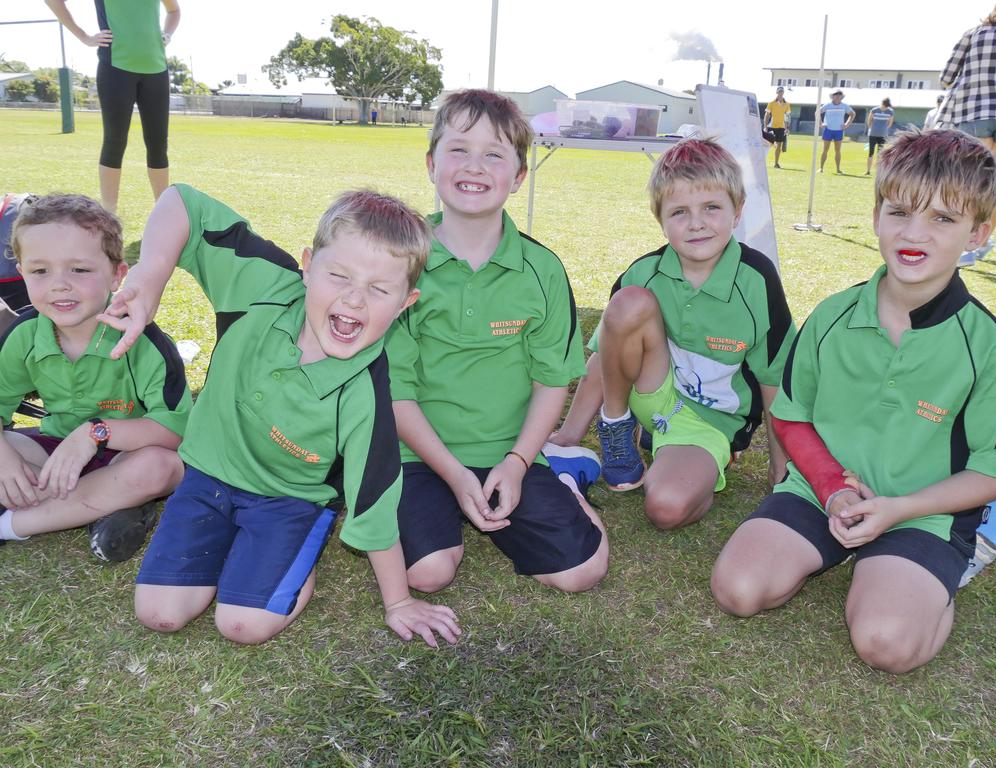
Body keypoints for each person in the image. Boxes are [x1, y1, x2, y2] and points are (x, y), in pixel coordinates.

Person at [711, 130, 996, 674]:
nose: (914, 234)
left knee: (887, 644)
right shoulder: (832, 316)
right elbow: (790, 416)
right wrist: (832, 491)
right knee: (737, 589)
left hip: (923, 515)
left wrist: (897, 510)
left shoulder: (988, 348)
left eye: (943, 220)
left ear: (979, 231)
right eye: (899, 211)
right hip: (822, 493)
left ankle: (919, 577)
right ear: (877, 213)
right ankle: (845, 554)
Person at [105, 185, 461, 647]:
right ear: (309, 265)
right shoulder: (264, 286)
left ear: (404, 303)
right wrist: (150, 283)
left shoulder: (369, 386)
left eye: (379, 289)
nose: (354, 300)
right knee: (159, 614)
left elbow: (373, 499)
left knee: (242, 626)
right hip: (207, 478)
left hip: (287, 500)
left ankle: (292, 553)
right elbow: (182, 202)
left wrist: (398, 602)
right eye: (340, 276)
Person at [386, 89, 608, 595]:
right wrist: (454, 474)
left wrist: (516, 462)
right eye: (459, 149)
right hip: (417, 453)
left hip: (510, 451)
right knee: (428, 573)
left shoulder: (542, 270)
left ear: (520, 177)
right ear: (431, 163)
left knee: (582, 573)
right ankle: (452, 503)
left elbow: (551, 380)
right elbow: (394, 391)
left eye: (494, 154)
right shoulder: (400, 260)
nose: (475, 166)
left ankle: (562, 477)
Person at [549, 137, 796, 530]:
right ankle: (617, 430)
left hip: (710, 422)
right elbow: (604, 358)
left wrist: (779, 469)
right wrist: (568, 434)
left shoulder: (757, 280)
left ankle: (683, 458)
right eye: (679, 212)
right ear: (660, 219)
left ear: (737, 211)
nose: (696, 223)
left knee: (665, 509)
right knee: (630, 302)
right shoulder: (643, 272)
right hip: (654, 393)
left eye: (711, 208)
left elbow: (772, 380)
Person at [0, 194, 190, 561]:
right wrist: (5, 459)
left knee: (161, 468)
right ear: (22, 272)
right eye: (41, 271)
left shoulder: (144, 341)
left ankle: (13, 525)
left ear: (118, 274)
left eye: (79, 270)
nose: (59, 285)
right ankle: (104, 507)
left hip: (126, 457)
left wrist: (95, 433)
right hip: (53, 453)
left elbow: (177, 430)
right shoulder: (24, 335)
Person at [45, 1, 181, 213]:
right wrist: (84, 36)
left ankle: (163, 214)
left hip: (157, 69)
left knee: (158, 145)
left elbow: (174, 11)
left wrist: (168, 34)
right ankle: (109, 217)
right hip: (116, 68)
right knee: (115, 142)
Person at [936, 0, 996, 257]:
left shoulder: (974, 32)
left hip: (972, 113)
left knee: (966, 183)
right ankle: (978, 246)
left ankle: (956, 244)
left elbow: (946, 78)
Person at [819, 89, 856, 173]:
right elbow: (817, 112)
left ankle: (838, 169)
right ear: (833, 96)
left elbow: (853, 114)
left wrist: (847, 124)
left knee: (838, 150)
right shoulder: (827, 105)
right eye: (836, 94)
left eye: (840, 94)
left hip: (839, 131)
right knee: (825, 149)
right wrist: (821, 123)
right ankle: (821, 168)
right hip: (828, 130)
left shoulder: (844, 106)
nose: (838, 96)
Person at [864, 97, 895, 175]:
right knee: (871, 152)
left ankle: (878, 171)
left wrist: (884, 129)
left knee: (880, 153)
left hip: (883, 135)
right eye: (886, 105)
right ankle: (868, 171)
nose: (886, 106)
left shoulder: (890, 111)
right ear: (882, 103)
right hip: (873, 134)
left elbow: (890, 123)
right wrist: (872, 128)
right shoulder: (874, 110)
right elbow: (869, 120)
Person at [764, 86, 791, 169]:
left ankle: (776, 163)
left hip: (781, 127)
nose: (780, 93)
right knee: (767, 144)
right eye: (779, 92)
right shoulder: (771, 103)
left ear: (783, 93)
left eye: (782, 92)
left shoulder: (787, 104)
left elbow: (787, 116)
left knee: (779, 146)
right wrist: (765, 126)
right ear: (777, 92)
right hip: (771, 126)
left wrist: (786, 128)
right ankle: (762, 162)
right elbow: (767, 115)